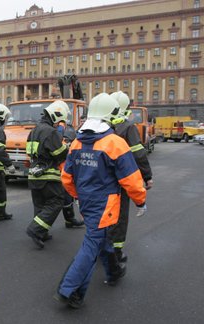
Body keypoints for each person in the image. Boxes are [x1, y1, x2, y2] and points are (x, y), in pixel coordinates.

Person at [55, 93, 147, 309]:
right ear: (110, 115)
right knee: (92, 243)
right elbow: (131, 180)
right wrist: (140, 201)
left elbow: (67, 178)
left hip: (87, 203)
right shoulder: (115, 143)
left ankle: (114, 271)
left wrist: (78, 196)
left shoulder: (77, 143)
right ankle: (68, 289)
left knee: (103, 240)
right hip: (106, 205)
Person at [109, 91, 154, 263]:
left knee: (104, 216)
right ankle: (116, 252)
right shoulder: (128, 128)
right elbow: (139, 155)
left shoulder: (102, 126)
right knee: (120, 217)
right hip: (121, 182)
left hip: (102, 182)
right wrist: (147, 176)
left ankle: (101, 248)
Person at [25, 100, 70, 248]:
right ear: (57, 116)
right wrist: (66, 147)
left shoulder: (34, 130)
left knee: (40, 205)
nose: (59, 124)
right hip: (48, 175)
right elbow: (60, 154)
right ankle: (35, 229)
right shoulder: (50, 132)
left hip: (33, 174)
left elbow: (29, 153)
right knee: (56, 202)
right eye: (60, 121)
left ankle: (41, 232)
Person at [57, 110, 85, 229]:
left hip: (68, 169)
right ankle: (70, 219)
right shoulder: (63, 130)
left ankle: (70, 220)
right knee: (66, 197)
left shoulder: (70, 130)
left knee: (69, 196)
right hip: (63, 170)